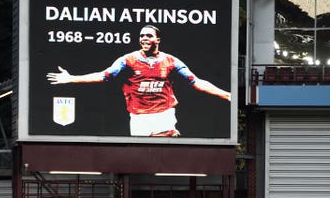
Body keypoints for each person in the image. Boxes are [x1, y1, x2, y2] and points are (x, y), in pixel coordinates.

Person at [47, 24, 231, 137]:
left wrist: (227, 95)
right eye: (142, 35)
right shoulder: (128, 60)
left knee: (164, 145)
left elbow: (196, 82)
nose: (144, 38)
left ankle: (171, 135)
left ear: (157, 39)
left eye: (148, 35)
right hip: (138, 117)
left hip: (163, 114)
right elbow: (104, 76)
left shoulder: (171, 61)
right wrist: (71, 79)